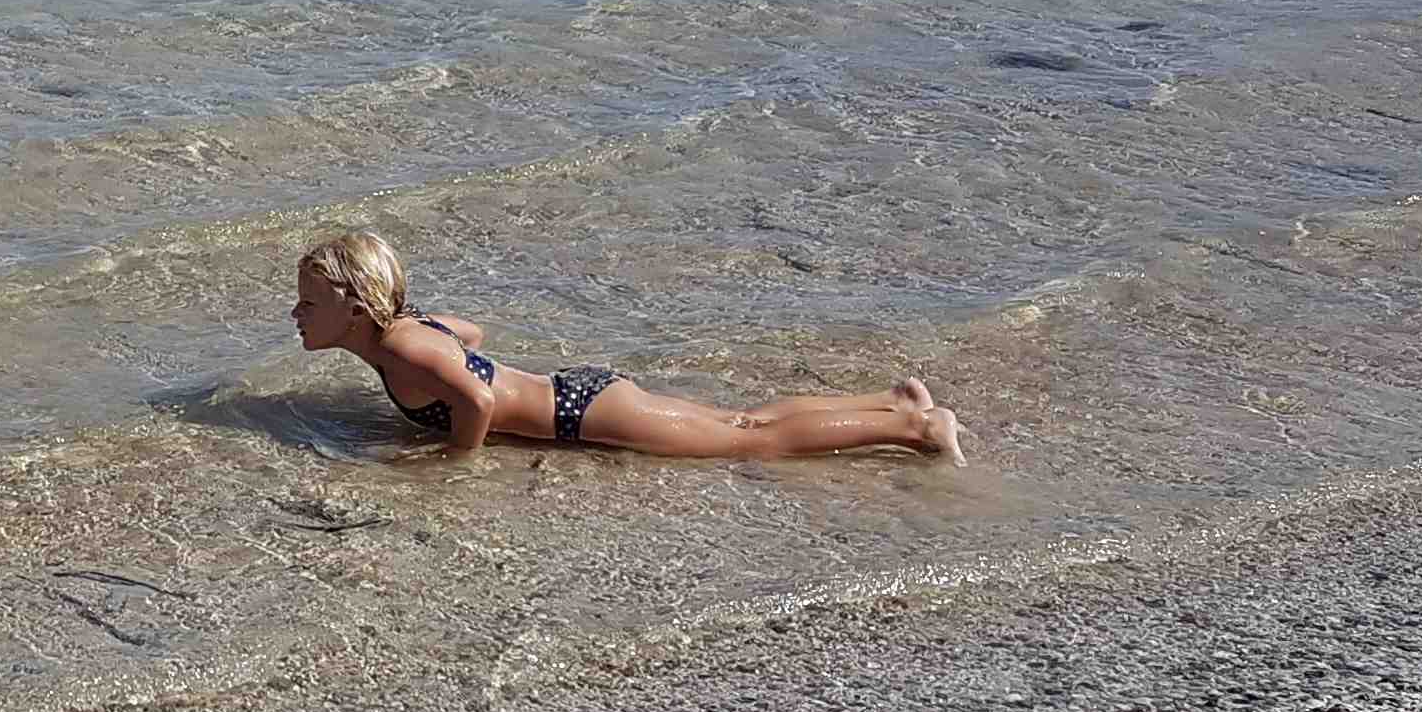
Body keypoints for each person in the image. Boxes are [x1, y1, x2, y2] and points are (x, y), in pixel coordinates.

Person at [289, 228, 963, 462]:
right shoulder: (413, 331)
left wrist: (455, 460)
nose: (296, 314)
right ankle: (894, 400)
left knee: (751, 442)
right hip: (581, 393)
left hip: (580, 415)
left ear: (355, 311)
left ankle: (915, 430)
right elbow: (471, 336)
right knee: (743, 420)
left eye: (309, 304)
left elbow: (478, 400)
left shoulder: (404, 351)